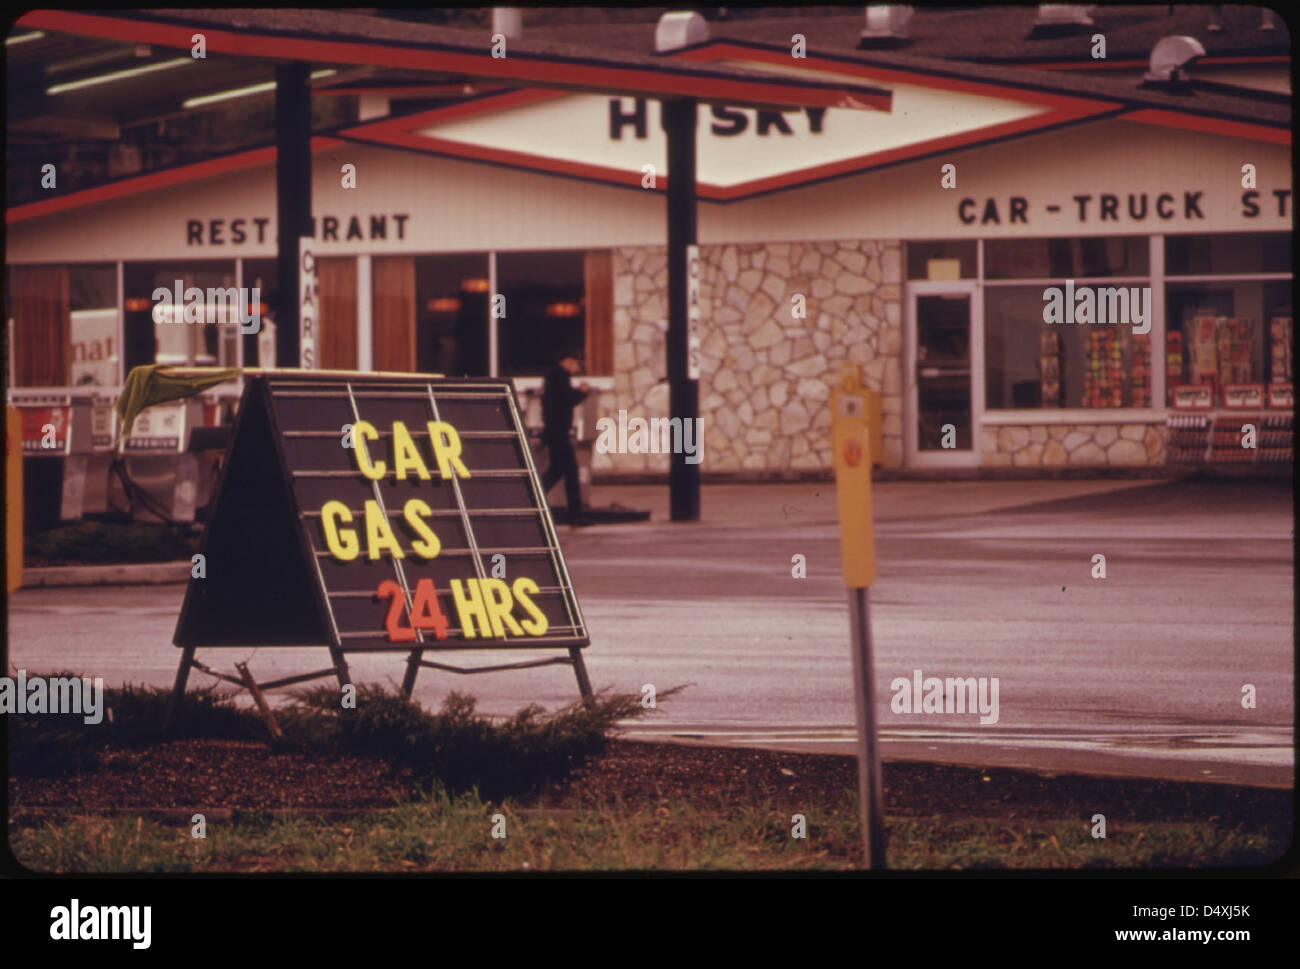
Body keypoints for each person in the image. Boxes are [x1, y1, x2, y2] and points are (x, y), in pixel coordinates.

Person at [540, 347, 592, 526]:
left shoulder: (555, 376)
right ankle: (575, 514)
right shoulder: (558, 376)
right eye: (577, 363)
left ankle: (534, 495)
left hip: (555, 431)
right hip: (558, 431)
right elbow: (567, 399)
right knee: (569, 471)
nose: (578, 367)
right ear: (568, 361)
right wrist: (583, 392)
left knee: (558, 470)